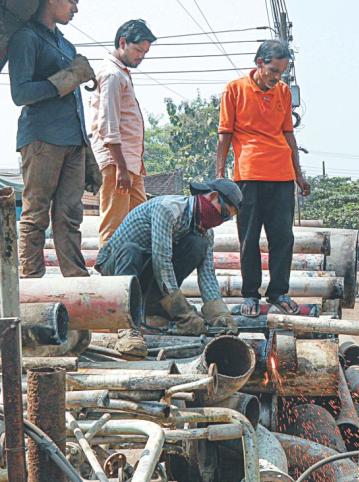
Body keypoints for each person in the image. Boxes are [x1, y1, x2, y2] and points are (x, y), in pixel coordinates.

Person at [215, 39, 311, 317]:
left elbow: (288, 135)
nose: (276, 78)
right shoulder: (234, 90)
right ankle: (250, 295)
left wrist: (298, 175)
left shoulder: (283, 93)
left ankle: (279, 291)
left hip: (281, 175)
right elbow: (225, 134)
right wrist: (220, 176)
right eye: (273, 71)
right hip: (248, 175)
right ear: (259, 64)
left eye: (281, 73)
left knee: (283, 237)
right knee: (249, 238)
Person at [95, 179, 241, 357]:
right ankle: (127, 327)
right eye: (224, 214)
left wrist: (219, 315)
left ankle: (154, 311)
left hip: (147, 275)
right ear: (212, 196)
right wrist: (183, 312)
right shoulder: (168, 209)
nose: (221, 220)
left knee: (197, 244)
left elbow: (207, 274)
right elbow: (161, 260)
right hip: (116, 273)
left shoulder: (206, 232)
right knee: (131, 250)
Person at [8, 0, 101, 278]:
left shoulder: (66, 46)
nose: (76, 9)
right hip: (42, 140)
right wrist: (66, 79)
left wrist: (87, 153)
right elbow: (20, 94)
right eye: (72, 1)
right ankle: (31, 286)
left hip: (73, 142)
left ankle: (75, 283)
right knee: (36, 216)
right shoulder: (26, 37)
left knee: (70, 217)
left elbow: (75, 104)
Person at [91, 19, 156, 246]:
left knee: (139, 221)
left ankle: (130, 277)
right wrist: (121, 168)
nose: (141, 56)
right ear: (122, 43)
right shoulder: (112, 74)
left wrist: (136, 161)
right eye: (138, 50)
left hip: (130, 163)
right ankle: (106, 278)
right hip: (117, 164)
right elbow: (108, 126)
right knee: (113, 225)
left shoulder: (122, 73)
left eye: (145, 52)